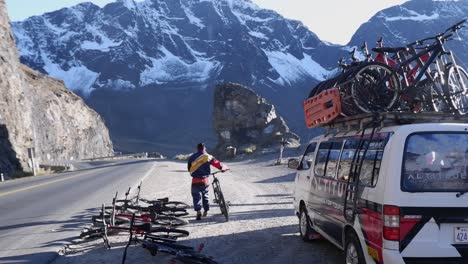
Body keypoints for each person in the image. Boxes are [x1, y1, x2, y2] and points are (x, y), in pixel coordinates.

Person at [187, 143, 228, 220]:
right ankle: (205, 211)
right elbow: (217, 164)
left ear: (197, 149)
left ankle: (198, 211)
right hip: (204, 180)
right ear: (204, 148)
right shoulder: (207, 156)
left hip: (195, 180)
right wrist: (223, 168)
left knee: (196, 196)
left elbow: (189, 169)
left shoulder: (192, 157)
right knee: (205, 195)